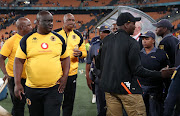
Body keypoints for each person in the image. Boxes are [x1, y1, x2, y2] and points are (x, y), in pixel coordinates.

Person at [95, 12, 175, 116]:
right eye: (133, 23)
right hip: (127, 88)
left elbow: (98, 64)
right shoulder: (131, 42)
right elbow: (138, 70)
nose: (134, 26)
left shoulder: (106, 40)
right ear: (126, 25)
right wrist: (160, 74)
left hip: (109, 88)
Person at [14, 11, 70, 116]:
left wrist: (65, 76)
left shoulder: (59, 38)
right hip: (32, 88)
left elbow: (66, 58)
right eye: (46, 21)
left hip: (54, 88)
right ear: (38, 22)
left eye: (51, 21)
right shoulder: (27, 39)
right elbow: (18, 61)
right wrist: (17, 83)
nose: (51, 24)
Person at [54, 13, 87, 116]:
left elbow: (84, 52)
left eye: (73, 20)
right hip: (56, 73)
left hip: (71, 73)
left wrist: (81, 54)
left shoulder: (78, 35)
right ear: (63, 21)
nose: (72, 22)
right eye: (69, 20)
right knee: (55, 100)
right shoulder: (55, 34)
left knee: (69, 101)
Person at [0, 17, 32, 116]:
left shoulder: (32, 39)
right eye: (29, 25)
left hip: (31, 78)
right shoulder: (11, 41)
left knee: (33, 104)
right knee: (18, 105)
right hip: (15, 79)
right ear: (22, 27)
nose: (31, 27)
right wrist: (5, 73)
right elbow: (1, 58)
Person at [138, 31, 170, 116]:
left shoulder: (161, 53)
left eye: (147, 39)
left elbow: (166, 69)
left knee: (155, 112)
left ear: (153, 40)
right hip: (141, 88)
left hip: (156, 89)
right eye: (143, 39)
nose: (144, 41)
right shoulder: (138, 54)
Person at [86, 25, 111, 116]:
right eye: (104, 32)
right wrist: (88, 77)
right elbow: (88, 62)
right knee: (100, 105)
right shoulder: (94, 46)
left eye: (108, 32)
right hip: (99, 79)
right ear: (100, 34)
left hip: (112, 79)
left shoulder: (115, 45)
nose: (106, 34)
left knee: (113, 105)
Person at [152, 19, 179, 101]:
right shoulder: (174, 39)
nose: (156, 29)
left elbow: (162, 60)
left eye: (158, 27)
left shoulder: (165, 41)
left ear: (164, 29)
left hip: (169, 76)